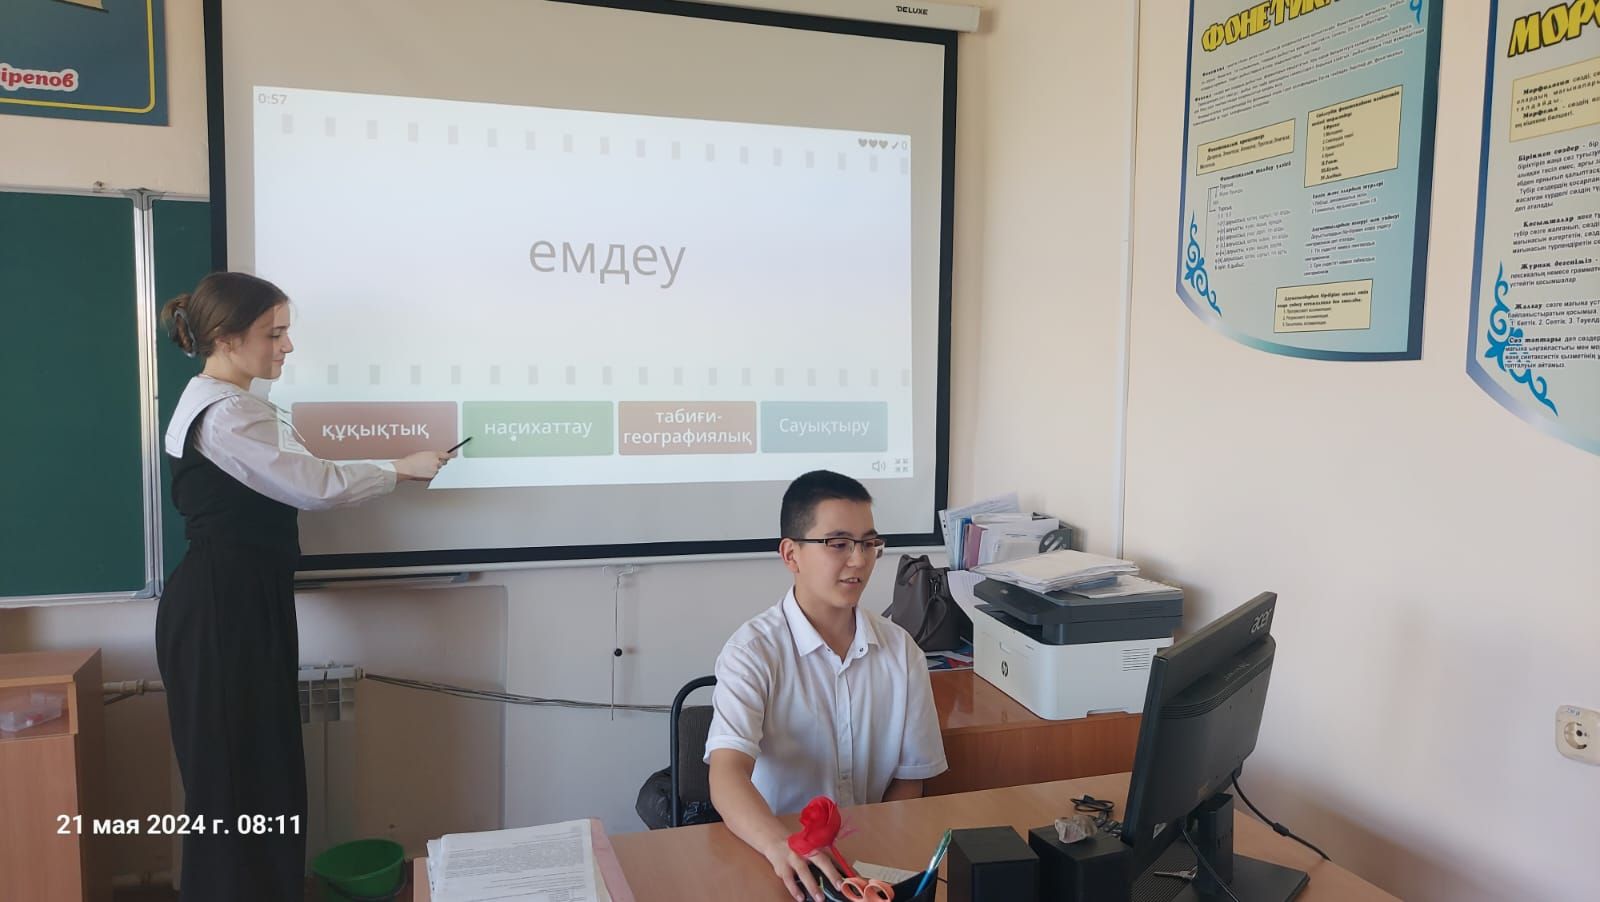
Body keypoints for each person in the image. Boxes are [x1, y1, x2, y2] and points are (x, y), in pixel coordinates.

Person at [155, 271, 450, 900]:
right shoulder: (226, 413)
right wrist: (399, 469)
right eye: (274, 334)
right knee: (236, 783)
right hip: (223, 608)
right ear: (227, 338)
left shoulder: (226, 401)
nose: (286, 346)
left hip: (235, 601)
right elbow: (313, 485)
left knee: (250, 776)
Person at [705, 470, 948, 902]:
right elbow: (726, 772)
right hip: (778, 859)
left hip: (869, 867)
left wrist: (881, 858)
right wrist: (779, 845)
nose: (859, 560)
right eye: (838, 544)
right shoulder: (752, 652)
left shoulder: (901, 651)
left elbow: (910, 780)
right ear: (791, 554)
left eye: (869, 543)